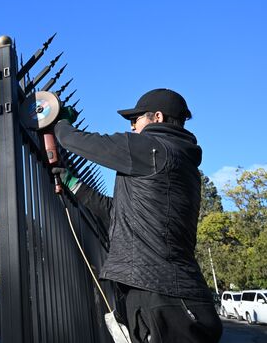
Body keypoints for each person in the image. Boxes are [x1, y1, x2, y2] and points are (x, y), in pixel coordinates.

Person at [53, 88, 223, 343]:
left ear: (157, 117)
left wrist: (61, 122)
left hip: (160, 296)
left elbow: (77, 142)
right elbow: (120, 214)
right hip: (171, 295)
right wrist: (73, 183)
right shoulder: (180, 162)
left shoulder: (152, 147)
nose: (132, 125)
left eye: (136, 118)